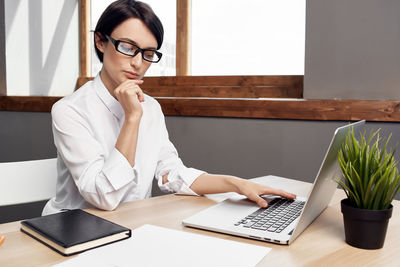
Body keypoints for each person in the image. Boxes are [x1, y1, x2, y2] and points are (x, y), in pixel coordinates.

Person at [42, 0, 295, 215]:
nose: (138, 63)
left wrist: (236, 184)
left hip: (130, 224)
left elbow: (171, 173)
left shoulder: (150, 107)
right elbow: (103, 197)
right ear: (100, 41)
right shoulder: (70, 110)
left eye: (148, 53)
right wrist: (132, 118)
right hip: (73, 229)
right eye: (128, 48)